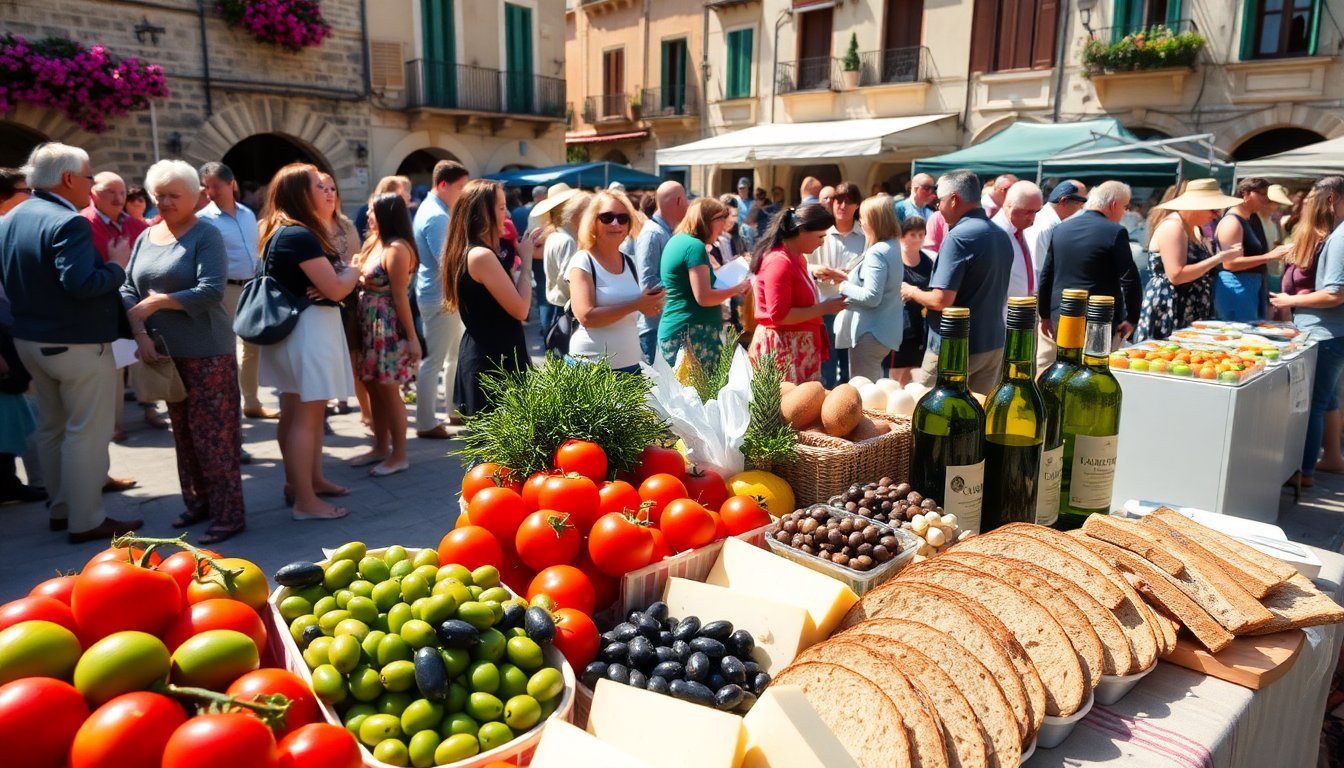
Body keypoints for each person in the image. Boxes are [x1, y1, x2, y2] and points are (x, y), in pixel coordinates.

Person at [0, 143, 142, 542]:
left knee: (54, 426)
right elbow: (80, 283)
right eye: (88, 176)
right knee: (86, 432)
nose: (91, 184)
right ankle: (86, 519)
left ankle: (63, 509)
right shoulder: (69, 222)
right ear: (68, 179)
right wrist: (117, 265)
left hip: (31, 341)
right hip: (74, 344)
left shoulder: (12, 216)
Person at [121, 160, 244, 544]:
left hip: (207, 350)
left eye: (174, 195)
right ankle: (197, 503)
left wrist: (158, 303)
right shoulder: (147, 235)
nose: (165, 201)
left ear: (195, 197)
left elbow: (210, 290)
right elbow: (128, 288)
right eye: (160, 195)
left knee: (214, 435)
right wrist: (140, 333)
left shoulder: (205, 234)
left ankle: (229, 514)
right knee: (183, 433)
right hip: (164, 352)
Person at [258, 163, 360, 521]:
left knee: (296, 412)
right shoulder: (299, 235)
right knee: (307, 415)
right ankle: (305, 500)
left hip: (296, 331)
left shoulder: (278, 231)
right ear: (302, 194)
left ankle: (307, 482)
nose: (327, 190)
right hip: (308, 331)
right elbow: (335, 287)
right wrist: (353, 271)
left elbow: (330, 285)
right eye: (319, 185)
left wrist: (339, 277)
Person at [903, 170, 1014, 394]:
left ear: (954, 199)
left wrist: (912, 291)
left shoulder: (958, 237)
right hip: (992, 343)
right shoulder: (1001, 234)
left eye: (940, 201)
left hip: (955, 347)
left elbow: (941, 299)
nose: (937, 207)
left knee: (926, 412)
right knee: (975, 418)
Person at [1269, 176, 1344, 489]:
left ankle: (1304, 473)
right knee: (1325, 401)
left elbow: (1334, 294)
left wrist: (1290, 300)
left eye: (1314, 200)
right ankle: (1322, 463)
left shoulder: (1339, 237)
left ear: (1329, 199)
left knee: (1313, 404)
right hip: (1327, 333)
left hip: (1325, 334)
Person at [441, 180, 540, 415]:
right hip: (493, 362)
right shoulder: (480, 255)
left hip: (489, 355)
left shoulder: (470, 250)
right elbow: (520, 309)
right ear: (483, 212)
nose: (506, 214)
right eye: (501, 207)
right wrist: (526, 259)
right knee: (494, 450)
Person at [81, 172, 165, 439]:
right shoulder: (82, 223)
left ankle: (150, 406)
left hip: (136, 302)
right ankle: (113, 422)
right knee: (112, 367)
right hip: (103, 305)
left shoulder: (137, 226)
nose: (118, 198)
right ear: (93, 193)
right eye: (110, 192)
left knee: (144, 356)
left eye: (121, 192)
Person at [352, 193, 421, 476]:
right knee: (372, 386)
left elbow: (400, 297)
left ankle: (399, 454)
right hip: (367, 323)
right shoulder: (374, 242)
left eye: (372, 211)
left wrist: (412, 338)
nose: (367, 216)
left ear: (386, 214)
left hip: (385, 325)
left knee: (389, 390)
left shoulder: (397, 249)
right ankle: (381, 447)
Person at [198, 162, 273, 421]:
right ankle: (229, 407)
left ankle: (251, 402)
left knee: (252, 348)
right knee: (227, 349)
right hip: (225, 290)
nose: (210, 192)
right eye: (206, 187)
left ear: (232, 185)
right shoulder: (203, 220)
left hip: (251, 287)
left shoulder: (248, 214)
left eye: (216, 186)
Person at [1135, 179, 1244, 342]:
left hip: (1187, 307)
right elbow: (1176, 275)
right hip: (1172, 308)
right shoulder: (1173, 226)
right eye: (1213, 209)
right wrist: (1219, 258)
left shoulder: (1191, 228)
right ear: (1196, 206)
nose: (1217, 215)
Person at [1037, 181, 1143, 348]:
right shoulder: (1115, 232)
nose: (1124, 212)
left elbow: (1046, 275)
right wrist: (1132, 318)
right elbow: (1129, 279)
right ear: (1114, 205)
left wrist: (1044, 315)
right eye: (1125, 207)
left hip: (1061, 316)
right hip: (1098, 320)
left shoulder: (1061, 229)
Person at [748, 204, 845, 383]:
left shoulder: (796, 257)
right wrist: (823, 308)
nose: (822, 242)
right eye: (820, 236)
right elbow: (779, 315)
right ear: (801, 231)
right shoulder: (779, 261)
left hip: (795, 350)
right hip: (782, 351)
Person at [568, 190, 661, 373]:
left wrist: (650, 305)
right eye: (607, 217)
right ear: (592, 223)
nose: (616, 224)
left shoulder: (629, 262)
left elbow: (633, 309)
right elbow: (586, 317)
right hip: (592, 368)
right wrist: (636, 304)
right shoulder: (582, 261)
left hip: (631, 366)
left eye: (623, 218)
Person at [411, 160, 469, 439]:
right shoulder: (437, 216)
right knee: (436, 360)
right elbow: (447, 262)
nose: (463, 193)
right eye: (460, 187)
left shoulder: (433, 210)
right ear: (443, 185)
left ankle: (452, 409)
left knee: (450, 357)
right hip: (440, 296)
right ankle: (425, 422)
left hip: (438, 295)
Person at [658, 198, 749, 371]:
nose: (723, 229)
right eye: (721, 222)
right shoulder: (694, 247)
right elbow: (704, 297)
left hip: (684, 329)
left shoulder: (678, 240)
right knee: (699, 396)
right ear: (709, 221)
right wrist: (736, 289)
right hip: (692, 333)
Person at [834, 195, 905, 381]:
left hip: (871, 331)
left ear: (875, 220)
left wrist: (842, 286)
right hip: (884, 329)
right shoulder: (892, 245)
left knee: (863, 390)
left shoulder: (877, 251)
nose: (860, 222)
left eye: (863, 217)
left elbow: (872, 297)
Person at [807, 182, 865, 387]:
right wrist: (818, 270)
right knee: (828, 367)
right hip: (826, 306)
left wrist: (847, 276)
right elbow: (805, 263)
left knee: (853, 367)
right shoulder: (821, 233)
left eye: (848, 201)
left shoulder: (865, 236)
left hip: (855, 307)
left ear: (857, 206)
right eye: (838, 200)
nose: (842, 206)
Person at [1213, 177, 1292, 321]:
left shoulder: (1247, 220)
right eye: (1261, 194)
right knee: (1239, 335)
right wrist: (1270, 256)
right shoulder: (1232, 222)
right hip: (1236, 286)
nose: (1265, 199)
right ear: (1245, 194)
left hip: (1248, 285)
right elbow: (1230, 263)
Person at [635, 181, 688, 362]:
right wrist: (687, 286)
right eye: (686, 199)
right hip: (654, 328)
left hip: (665, 324)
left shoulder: (663, 232)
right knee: (657, 388)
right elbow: (648, 285)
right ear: (680, 201)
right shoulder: (653, 234)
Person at [886, 215, 935, 384]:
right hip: (896, 324)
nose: (918, 239)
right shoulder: (894, 260)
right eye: (913, 235)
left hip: (919, 324)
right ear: (902, 236)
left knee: (913, 371)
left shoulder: (928, 262)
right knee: (896, 373)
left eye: (921, 235)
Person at [538, 186, 587, 320]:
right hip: (566, 308)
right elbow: (568, 280)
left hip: (557, 306)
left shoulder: (554, 235)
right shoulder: (567, 240)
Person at [992, 180, 1044, 301]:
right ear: (1009, 205)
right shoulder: (995, 235)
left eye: (1036, 211)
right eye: (1027, 211)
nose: (1032, 218)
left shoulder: (1019, 231)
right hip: (1004, 314)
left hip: (1024, 311)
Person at [1024, 180, 1087, 277]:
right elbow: (1040, 269)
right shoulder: (1048, 226)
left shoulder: (1049, 221)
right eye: (1081, 203)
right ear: (1064, 201)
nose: (1083, 208)